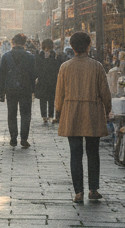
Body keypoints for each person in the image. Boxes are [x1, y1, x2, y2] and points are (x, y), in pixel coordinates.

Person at [55, 31, 112, 202]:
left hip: (71, 113)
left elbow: (59, 93)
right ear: (88, 46)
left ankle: (78, 193)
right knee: (93, 152)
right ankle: (93, 190)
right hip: (92, 113)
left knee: (75, 153)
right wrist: (107, 110)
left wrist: (59, 110)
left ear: (72, 47)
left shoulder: (65, 67)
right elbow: (105, 93)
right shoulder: (97, 66)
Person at [0, 33, 37, 148]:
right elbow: (34, 75)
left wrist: (0, 92)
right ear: (24, 43)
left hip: (10, 89)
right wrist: (33, 90)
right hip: (25, 89)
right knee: (26, 115)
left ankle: (13, 138)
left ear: (13, 42)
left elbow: (1, 75)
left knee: (12, 114)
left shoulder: (6, 56)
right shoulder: (30, 57)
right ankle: (24, 139)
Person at [34, 38, 65, 125]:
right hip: (50, 80)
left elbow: (37, 68)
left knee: (46, 99)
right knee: (48, 99)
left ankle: (46, 116)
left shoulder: (41, 56)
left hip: (45, 80)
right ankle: (48, 116)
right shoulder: (54, 56)